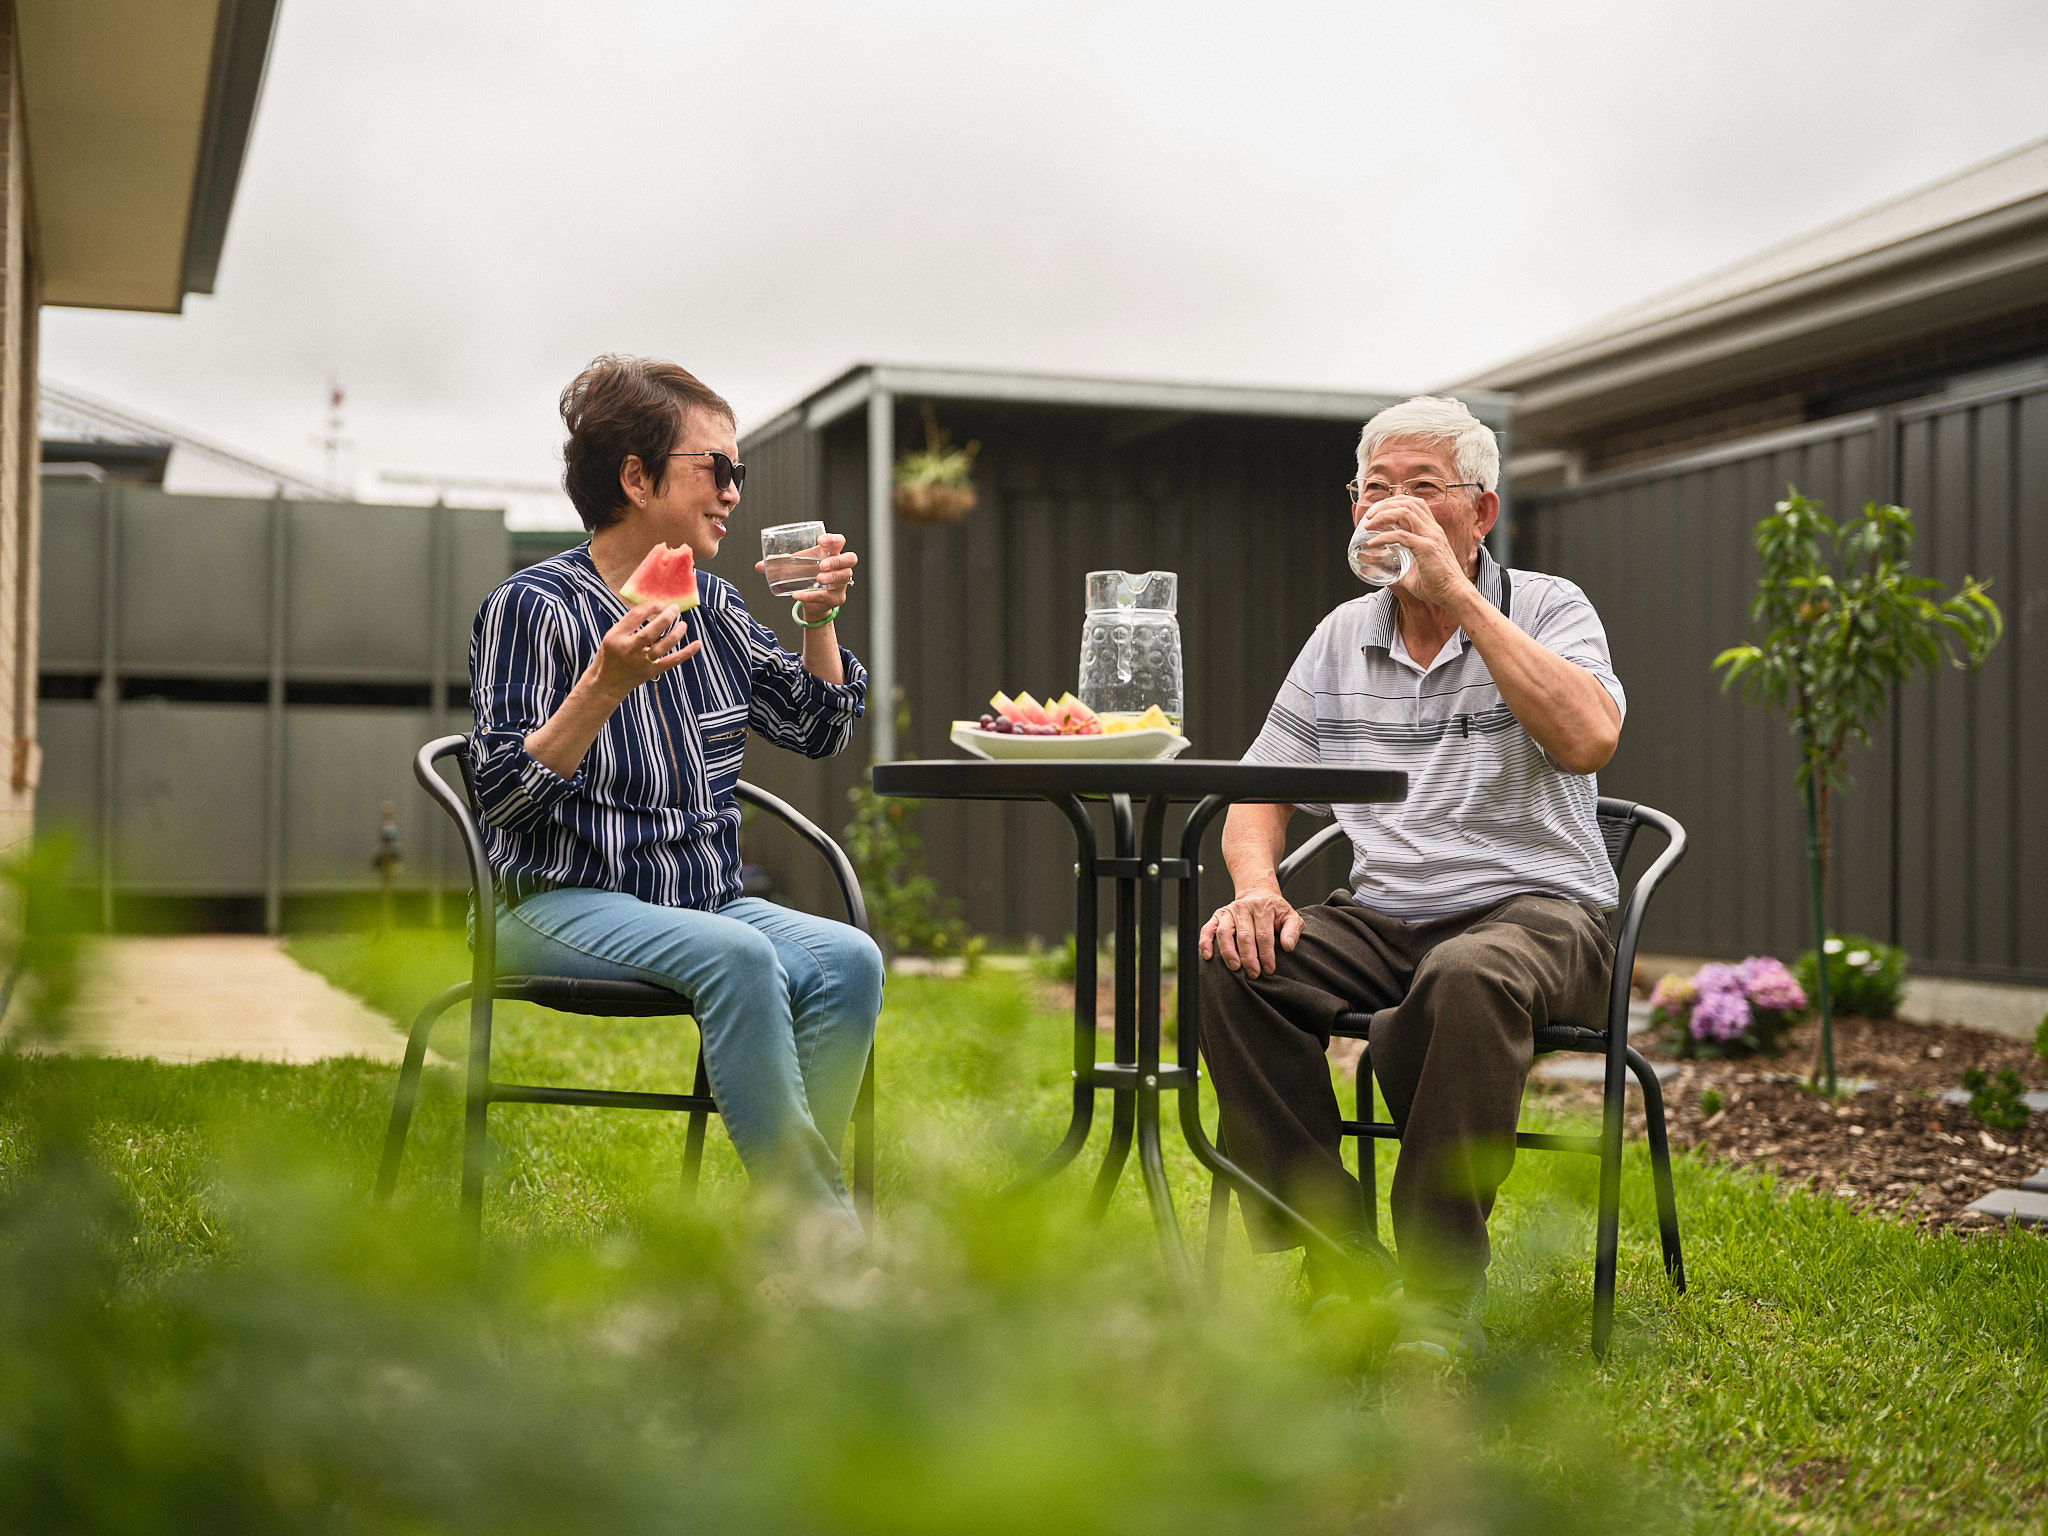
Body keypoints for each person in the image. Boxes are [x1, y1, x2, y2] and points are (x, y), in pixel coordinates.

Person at [1197, 395, 1624, 1358]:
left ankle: (1437, 1296)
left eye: (1423, 489)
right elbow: (1260, 791)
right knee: (1236, 964)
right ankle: (1341, 1269)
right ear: (1353, 511)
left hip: (1540, 912)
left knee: (1466, 978)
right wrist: (1257, 888)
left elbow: (1590, 738)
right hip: (1385, 915)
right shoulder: (1340, 635)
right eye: (1376, 489)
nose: (1395, 506)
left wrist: (1462, 595)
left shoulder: (1548, 607)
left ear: (1481, 511)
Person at [468, 353, 883, 1264]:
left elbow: (819, 729)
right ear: (634, 477)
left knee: (850, 957)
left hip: (700, 901)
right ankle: (827, 1247)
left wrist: (819, 620)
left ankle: (776, 1249)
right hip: (551, 903)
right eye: (717, 468)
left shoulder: (719, 607)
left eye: (739, 470)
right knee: (737, 955)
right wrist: (603, 686)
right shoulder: (531, 608)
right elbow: (500, 800)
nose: (735, 490)